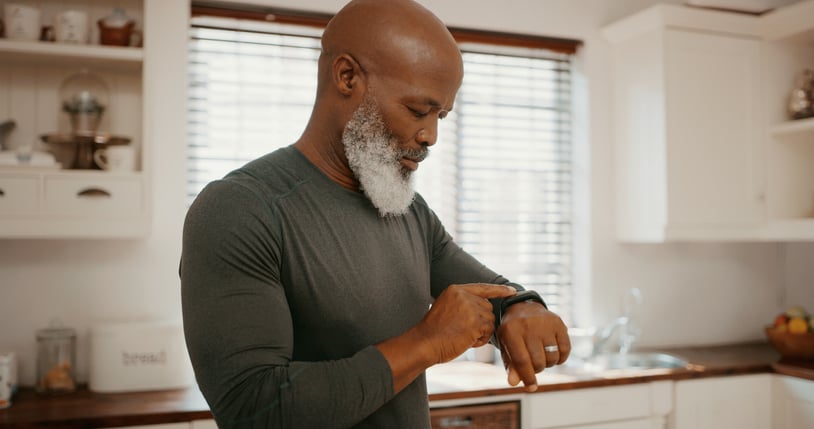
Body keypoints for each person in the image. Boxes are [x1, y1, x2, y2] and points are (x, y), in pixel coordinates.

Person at [180, 0, 571, 427]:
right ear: (347, 76)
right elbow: (253, 409)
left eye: (440, 115)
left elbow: (491, 293)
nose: (431, 136)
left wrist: (522, 307)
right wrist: (424, 343)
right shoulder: (239, 210)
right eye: (418, 110)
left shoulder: (407, 211)